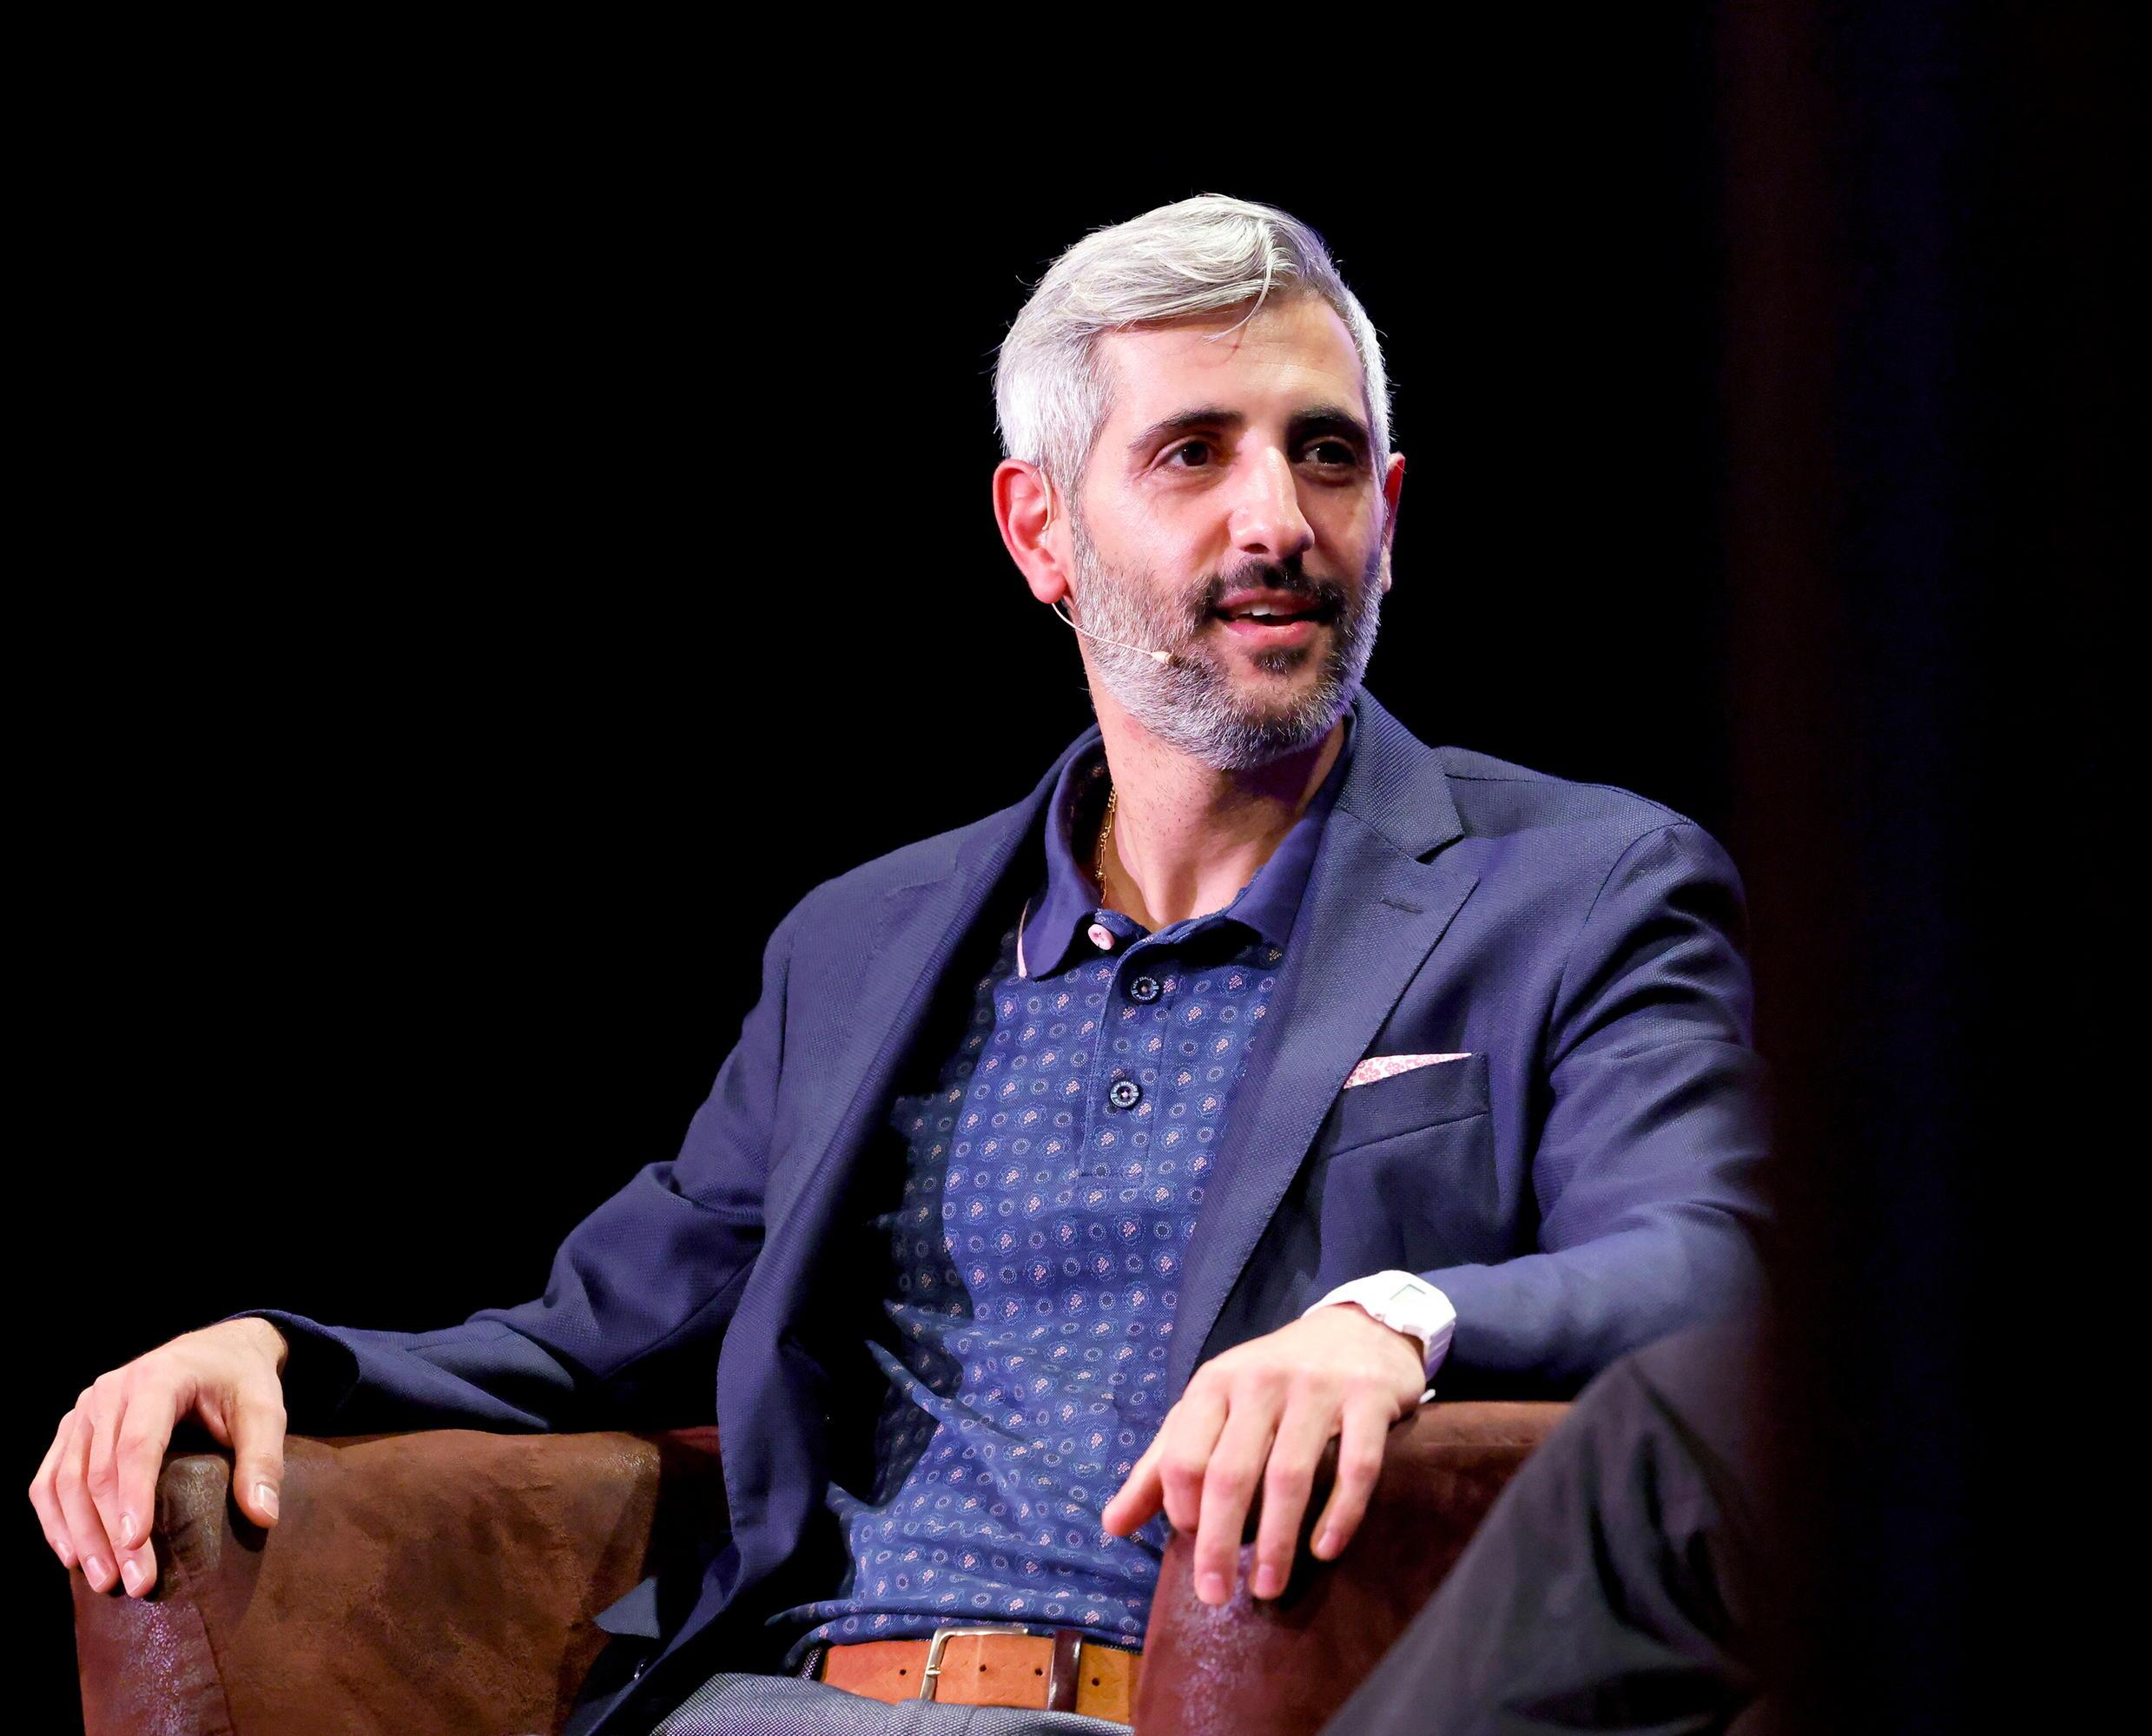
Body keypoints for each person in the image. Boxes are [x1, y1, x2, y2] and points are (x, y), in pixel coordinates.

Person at [29, 194, 1772, 1736]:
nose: (1278, 518)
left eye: (1325, 455)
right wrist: (272, 1351)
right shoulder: (863, 943)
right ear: (1041, 531)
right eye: (1193, 454)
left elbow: (1717, 1259)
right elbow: (594, 1334)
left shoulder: (1579, 888)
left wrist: (1398, 1322)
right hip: (777, 1707)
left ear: (1388, 507)